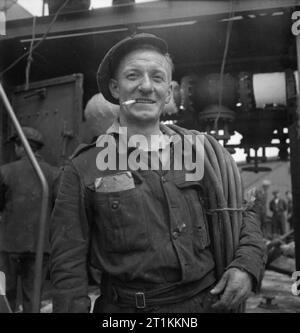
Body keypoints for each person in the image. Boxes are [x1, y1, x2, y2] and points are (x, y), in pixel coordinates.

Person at [49, 33, 266, 313]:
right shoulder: (84, 167)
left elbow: (243, 211)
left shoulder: (200, 153)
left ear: (169, 91)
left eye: (157, 78)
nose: (146, 87)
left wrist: (246, 266)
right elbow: (68, 266)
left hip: (205, 306)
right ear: (116, 88)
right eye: (133, 76)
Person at [0, 127, 60, 312]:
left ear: (20, 147)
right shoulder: (53, 173)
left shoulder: (5, 172)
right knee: (33, 297)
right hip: (40, 246)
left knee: (5, 296)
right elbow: (59, 209)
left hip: (8, 245)